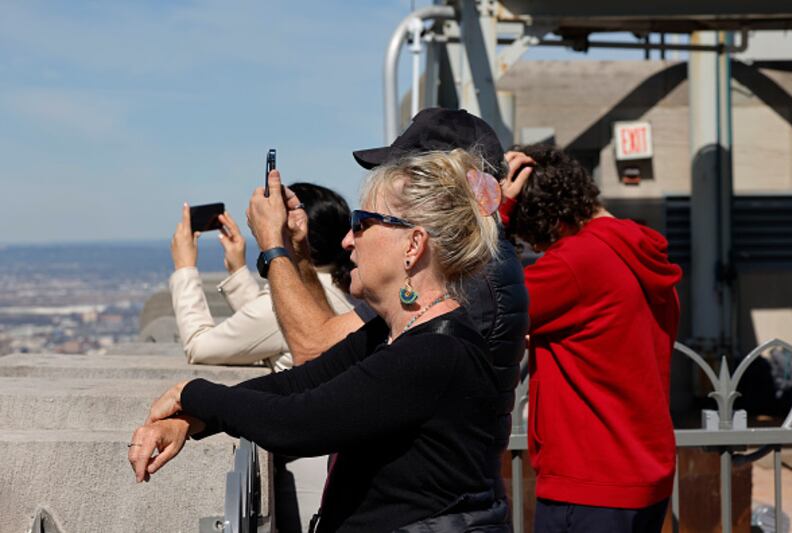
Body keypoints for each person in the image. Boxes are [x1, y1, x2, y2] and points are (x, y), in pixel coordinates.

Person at [129, 149, 512, 532]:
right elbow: (298, 383)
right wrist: (191, 420)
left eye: (362, 223)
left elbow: (300, 423)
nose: (347, 241)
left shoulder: (434, 354)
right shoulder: (393, 334)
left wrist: (191, 393)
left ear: (412, 245)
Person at [249, 108, 529, 505]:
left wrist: (273, 248)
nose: (353, 238)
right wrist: (299, 254)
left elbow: (315, 353)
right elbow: (328, 345)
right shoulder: (476, 264)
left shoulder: (455, 277)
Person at [500, 145, 682, 533]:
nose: (540, 252)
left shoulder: (577, 261)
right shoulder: (642, 251)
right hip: (644, 474)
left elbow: (487, 306)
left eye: (537, 242)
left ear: (553, 221)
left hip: (588, 483)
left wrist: (496, 216)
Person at [169, 183, 354, 369]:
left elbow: (199, 347)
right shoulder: (353, 290)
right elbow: (267, 323)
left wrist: (184, 268)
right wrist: (237, 272)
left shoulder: (290, 302)